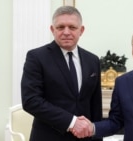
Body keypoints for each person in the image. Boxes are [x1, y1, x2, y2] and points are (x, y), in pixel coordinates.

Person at [21, 5, 103, 141]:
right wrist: (72, 122)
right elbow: (31, 101)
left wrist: (97, 136)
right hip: (48, 137)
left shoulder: (92, 60)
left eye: (72, 27)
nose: (66, 32)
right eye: (60, 27)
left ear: (81, 30)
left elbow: (95, 106)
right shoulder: (36, 57)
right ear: (52, 30)